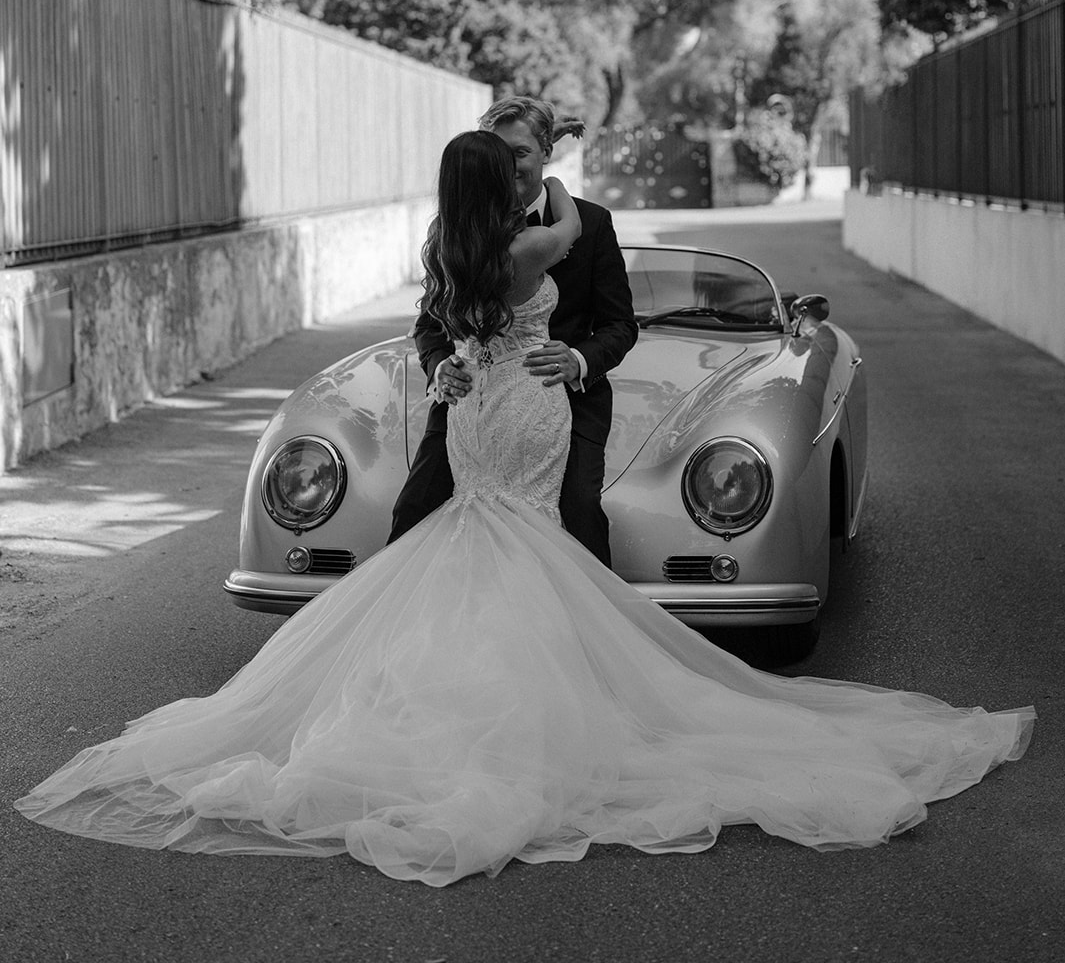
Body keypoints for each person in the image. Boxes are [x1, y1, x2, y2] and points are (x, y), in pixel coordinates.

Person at [14, 131, 1034, 886]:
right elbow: (579, 227)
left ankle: (450, 705)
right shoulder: (531, 247)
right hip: (531, 409)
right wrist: (544, 180)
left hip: (475, 407)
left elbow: (453, 330)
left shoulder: (455, 253)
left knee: (474, 541)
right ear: (491, 188)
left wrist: (487, 290)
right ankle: (535, 717)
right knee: (526, 543)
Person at [390, 96, 637, 566]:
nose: (508, 167)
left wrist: (579, 359)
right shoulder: (458, 230)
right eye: (497, 154)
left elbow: (620, 324)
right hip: (470, 398)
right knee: (414, 507)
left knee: (580, 508)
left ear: (545, 150)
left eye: (519, 153)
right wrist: (440, 364)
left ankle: (586, 628)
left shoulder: (596, 223)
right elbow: (429, 322)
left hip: (560, 397)